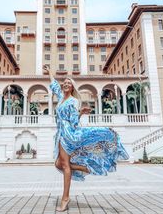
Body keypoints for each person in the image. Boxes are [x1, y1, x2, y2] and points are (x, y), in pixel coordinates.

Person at [43, 65, 129, 212]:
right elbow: (54, 85)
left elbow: (74, 122)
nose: (65, 84)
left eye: (69, 83)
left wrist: (81, 112)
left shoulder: (73, 101)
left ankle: (65, 198)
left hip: (68, 134)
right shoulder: (61, 97)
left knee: (64, 165)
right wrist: (50, 72)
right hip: (60, 133)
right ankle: (87, 168)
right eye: (65, 82)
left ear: (72, 88)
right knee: (59, 164)